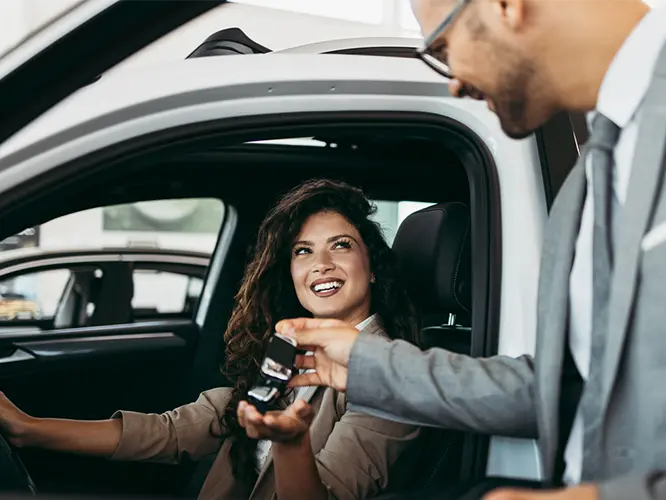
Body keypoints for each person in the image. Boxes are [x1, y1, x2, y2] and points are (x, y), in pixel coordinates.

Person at [277, 1, 666, 500]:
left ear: (505, 6)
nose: (454, 81)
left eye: (442, 47)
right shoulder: (591, 177)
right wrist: (366, 362)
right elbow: (566, 390)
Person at [0, 179, 421, 500]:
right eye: (302, 251)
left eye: (341, 246)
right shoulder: (289, 350)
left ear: (374, 267)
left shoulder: (390, 377)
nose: (321, 265)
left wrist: (289, 442)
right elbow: (176, 432)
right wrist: (28, 428)